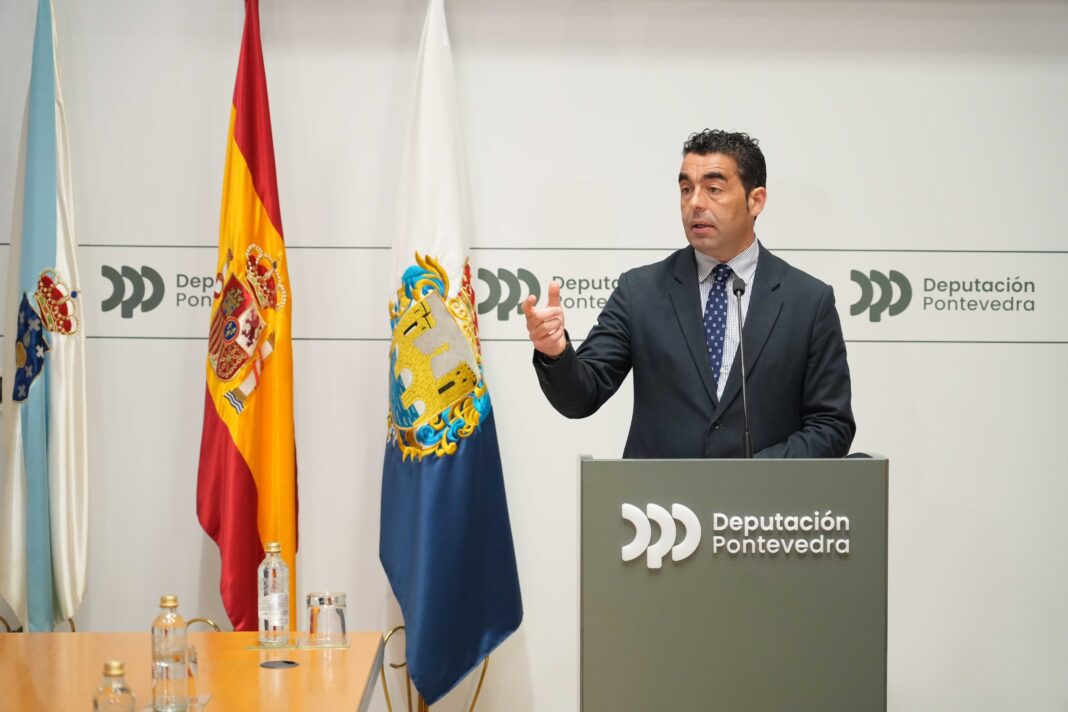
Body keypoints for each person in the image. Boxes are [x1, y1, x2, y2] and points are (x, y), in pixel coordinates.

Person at [523, 129, 855, 458]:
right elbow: (582, 396)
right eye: (686, 189)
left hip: (762, 494)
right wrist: (555, 353)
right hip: (658, 493)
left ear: (755, 200)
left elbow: (831, 426)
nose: (695, 203)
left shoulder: (808, 302)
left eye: (713, 189)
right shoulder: (640, 292)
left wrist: (752, 476)